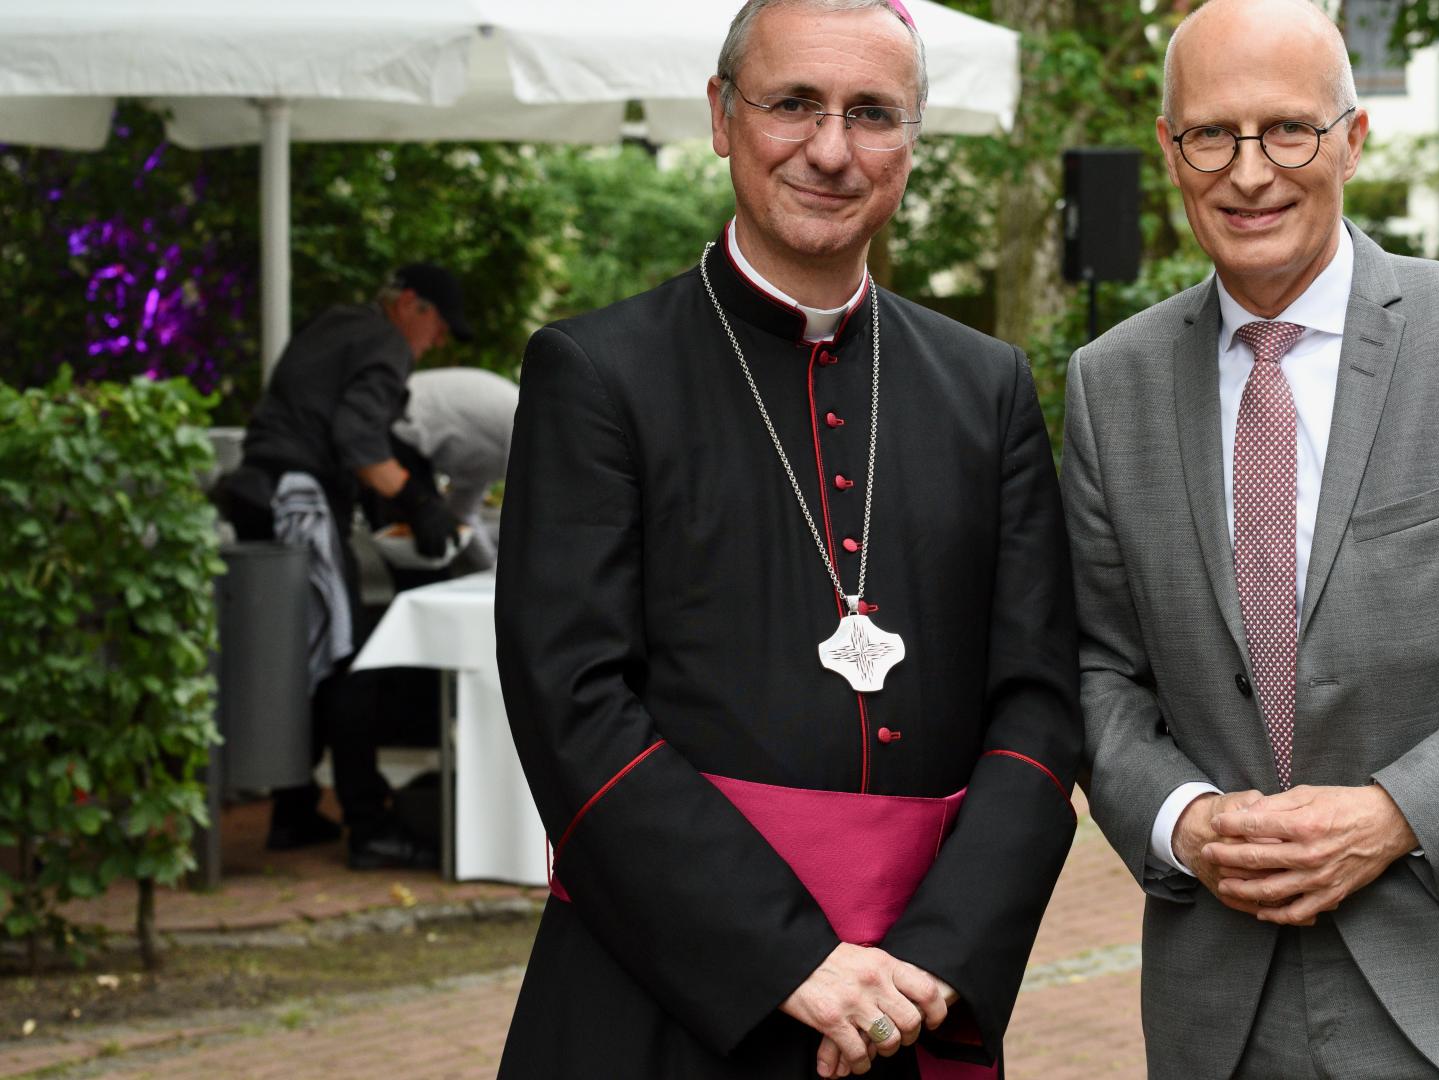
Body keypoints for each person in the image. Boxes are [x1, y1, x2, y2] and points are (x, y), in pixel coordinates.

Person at [1061, 2, 1439, 1077]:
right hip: (1220, 1017)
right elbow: (1099, 670)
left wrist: (1399, 812)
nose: (1250, 173)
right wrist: (1181, 819)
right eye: (1212, 135)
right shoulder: (1111, 384)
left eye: (1289, 129)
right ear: (1169, 150)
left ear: (1353, 138)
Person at [493, 1, 1080, 1076]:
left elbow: (1039, 700)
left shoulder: (984, 387)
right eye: (793, 104)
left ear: (911, 142)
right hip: (661, 987)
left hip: (912, 996)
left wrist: (942, 956)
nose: (830, 150)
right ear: (723, 115)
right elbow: (569, 702)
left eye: (872, 114)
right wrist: (791, 961)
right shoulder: (597, 375)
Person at [223, 263, 469, 870]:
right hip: (296, 499)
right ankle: (370, 826)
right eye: (437, 325)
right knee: (348, 654)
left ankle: (294, 807)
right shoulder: (385, 341)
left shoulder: (338, 322)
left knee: (296, 653)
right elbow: (360, 441)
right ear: (410, 305)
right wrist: (421, 503)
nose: (435, 341)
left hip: (261, 492)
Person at [388, 365, 519, 571]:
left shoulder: (489, 453)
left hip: (413, 433)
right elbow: (527, 517)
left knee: (433, 547)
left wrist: (491, 569)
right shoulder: (526, 428)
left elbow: (462, 514)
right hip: (399, 422)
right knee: (427, 549)